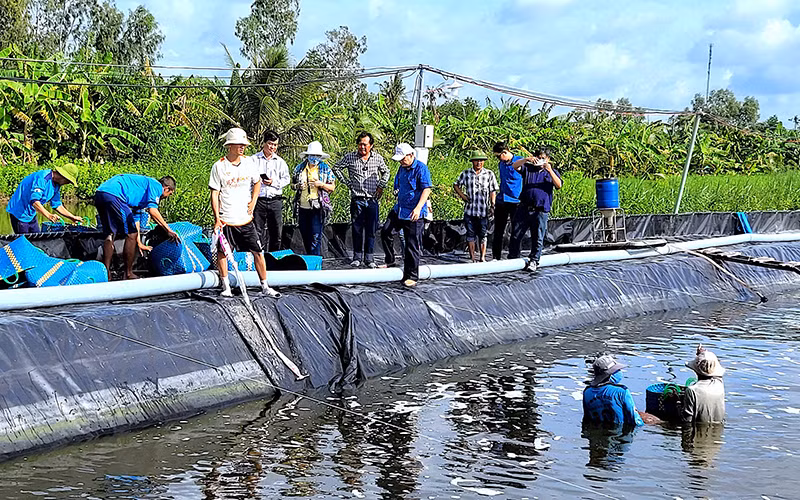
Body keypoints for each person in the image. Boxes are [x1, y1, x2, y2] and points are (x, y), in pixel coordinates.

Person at [209, 127, 279, 297]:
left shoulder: (249, 163)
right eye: (239, 144)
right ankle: (226, 286)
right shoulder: (219, 166)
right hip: (227, 219)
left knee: (258, 252)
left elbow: (257, 182)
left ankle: (265, 285)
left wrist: (253, 202)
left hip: (246, 219)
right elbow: (214, 193)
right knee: (223, 253)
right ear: (230, 145)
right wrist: (217, 218)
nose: (242, 147)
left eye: (244, 145)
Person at [95, 174, 178, 280]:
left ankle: (106, 273)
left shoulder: (140, 195)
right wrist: (168, 230)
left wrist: (139, 243)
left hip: (100, 194)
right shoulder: (156, 185)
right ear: (167, 188)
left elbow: (136, 221)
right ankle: (128, 273)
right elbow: (153, 211)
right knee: (131, 234)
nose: (165, 197)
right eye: (169, 194)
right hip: (115, 195)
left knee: (110, 234)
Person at [334, 131, 390, 268]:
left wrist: (381, 186)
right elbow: (336, 168)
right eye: (360, 144)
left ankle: (369, 258)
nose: (362, 148)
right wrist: (347, 182)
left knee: (371, 229)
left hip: (372, 199)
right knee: (357, 229)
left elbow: (386, 172)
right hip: (357, 198)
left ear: (371, 145)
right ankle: (357, 256)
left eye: (365, 145)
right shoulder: (350, 157)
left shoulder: (377, 158)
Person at [380, 143, 433, 287]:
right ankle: (390, 260)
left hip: (414, 212)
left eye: (403, 159)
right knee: (386, 231)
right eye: (400, 160)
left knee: (412, 244)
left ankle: (412, 276)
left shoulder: (421, 169)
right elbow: (398, 184)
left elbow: (426, 190)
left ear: (411, 155)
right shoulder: (402, 168)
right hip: (400, 209)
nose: (401, 162)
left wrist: (418, 208)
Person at [507, 148, 562, 271]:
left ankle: (534, 260)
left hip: (540, 209)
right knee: (516, 234)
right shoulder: (528, 168)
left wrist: (549, 169)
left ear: (547, 159)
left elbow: (558, 185)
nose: (539, 160)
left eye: (542, 157)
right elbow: (514, 166)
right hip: (524, 207)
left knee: (537, 236)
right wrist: (526, 159)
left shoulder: (551, 172)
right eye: (537, 157)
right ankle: (513, 258)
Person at [6, 163, 83, 234]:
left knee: (38, 240)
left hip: (31, 213)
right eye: (68, 181)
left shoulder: (56, 186)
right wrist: (49, 215)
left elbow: (57, 205)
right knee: (24, 243)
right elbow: (34, 201)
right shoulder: (43, 177)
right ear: (63, 176)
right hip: (19, 213)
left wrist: (72, 217)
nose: (67, 183)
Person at [291, 141, 336, 257]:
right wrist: (298, 186)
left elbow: (332, 187)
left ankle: (315, 260)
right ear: (307, 156)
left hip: (318, 206)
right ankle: (310, 258)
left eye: (317, 156)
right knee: (305, 234)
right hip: (302, 206)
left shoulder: (325, 168)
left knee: (316, 236)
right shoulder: (299, 168)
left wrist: (321, 184)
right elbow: (292, 185)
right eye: (312, 155)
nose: (314, 158)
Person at [453, 150, 498, 262]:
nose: (479, 163)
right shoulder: (466, 173)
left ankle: (482, 257)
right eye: (476, 161)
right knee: (470, 234)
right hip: (470, 210)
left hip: (483, 210)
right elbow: (456, 184)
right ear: (472, 162)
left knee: (483, 235)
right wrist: (462, 195)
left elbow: (493, 190)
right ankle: (473, 257)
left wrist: (493, 205)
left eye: (481, 161)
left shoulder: (489, 174)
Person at [252, 130, 290, 253]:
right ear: (264, 143)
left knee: (276, 232)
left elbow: (286, 179)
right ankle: (258, 258)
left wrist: (273, 182)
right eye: (270, 144)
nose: (272, 147)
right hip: (259, 200)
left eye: (275, 145)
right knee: (257, 231)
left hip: (275, 200)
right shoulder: (254, 160)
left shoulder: (280, 162)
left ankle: (274, 259)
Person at [583, 354, 645, 427]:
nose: (619, 371)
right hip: (620, 434)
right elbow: (636, 421)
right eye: (617, 370)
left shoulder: (587, 392)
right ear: (610, 374)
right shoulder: (622, 392)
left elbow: (586, 419)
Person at [491, 142, 523, 260]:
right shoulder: (501, 164)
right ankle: (496, 256)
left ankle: (514, 255)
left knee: (516, 230)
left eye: (499, 156)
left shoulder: (519, 161)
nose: (498, 159)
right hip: (502, 200)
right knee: (498, 230)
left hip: (515, 201)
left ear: (505, 152)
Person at [682, 346, 726, 424]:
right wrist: (702, 354)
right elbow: (711, 367)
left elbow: (687, 421)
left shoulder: (692, 391)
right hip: (717, 434)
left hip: (697, 434)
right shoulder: (719, 384)